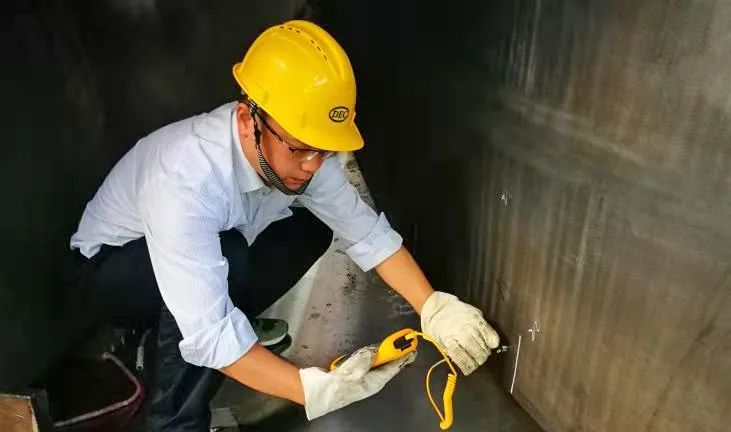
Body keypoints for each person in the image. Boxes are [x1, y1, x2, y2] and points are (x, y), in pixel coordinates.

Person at [68, 20, 500, 431]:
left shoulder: (303, 153)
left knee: (309, 230)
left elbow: (368, 234)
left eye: (325, 152)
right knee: (225, 270)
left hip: (195, 252)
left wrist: (434, 307)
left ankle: (211, 334)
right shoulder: (186, 179)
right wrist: (316, 390)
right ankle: (174, 422)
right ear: (247, 120)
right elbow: (210, 334)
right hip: (106, 273)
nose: (313, 166)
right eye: (300, 150)